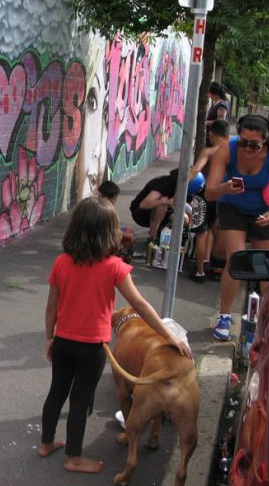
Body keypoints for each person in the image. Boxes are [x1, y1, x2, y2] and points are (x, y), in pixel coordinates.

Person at [38, 196, 192, 473]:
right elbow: (140, 305)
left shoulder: (61, 262)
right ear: (110, 232)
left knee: (56, 393)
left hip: (63, 342)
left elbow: (51, 307)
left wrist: (50, 338)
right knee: (80, 400)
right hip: (92, 348)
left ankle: (46, 444)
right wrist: (169, 336)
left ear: (75, 227)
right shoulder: (114, 266)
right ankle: (74, 458)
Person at [205, 114, 269, 341]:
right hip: (232, 207)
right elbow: (210, 192)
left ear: (265, 141)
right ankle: (224, 317)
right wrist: (225, 187)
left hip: (265, 212)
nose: (247, 149)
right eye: (243, 142)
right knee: (236, 258)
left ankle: (268, 321)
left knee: (265, 266)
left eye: (254, 145)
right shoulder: (227, 149)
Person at [188, 119, 230, 283]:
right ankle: (217, 268)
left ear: (211, 134)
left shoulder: (208, 151)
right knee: (220, 233)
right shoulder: (232, 153)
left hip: (203, 195)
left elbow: (196, 171)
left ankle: (200, 272)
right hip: (224, 197)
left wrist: (182, 187)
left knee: (201, 234)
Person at [129, 168, 194, 243]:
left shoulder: (188, 188)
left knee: (184, 218)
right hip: (141, 213)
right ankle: (152, 238)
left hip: (164, 213)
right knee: (161, 206)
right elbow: (143, 205)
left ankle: (169, 239)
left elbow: (190, 209)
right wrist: (164, 201)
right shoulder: (164, 184)